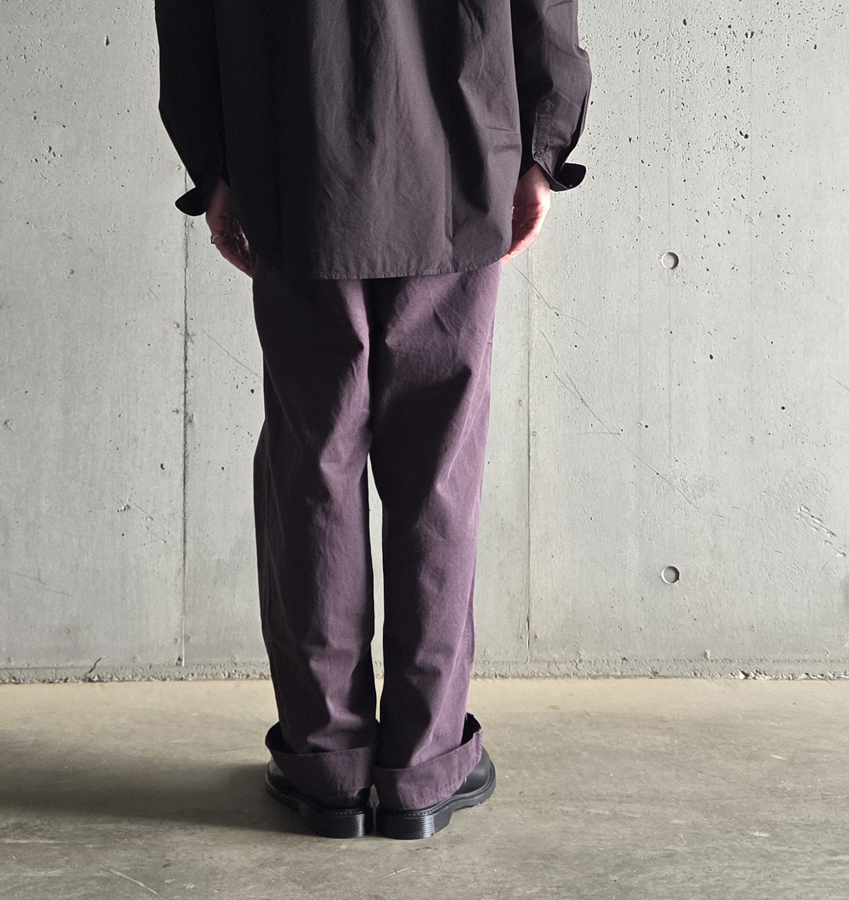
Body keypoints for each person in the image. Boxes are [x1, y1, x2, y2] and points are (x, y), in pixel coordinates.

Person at [154, 0, 591, 840]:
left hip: (294, 155)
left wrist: (214, 164)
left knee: (313, 467)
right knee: (438, 475)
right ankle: (423, 769)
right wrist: (543, 147)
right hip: (460, 156)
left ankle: (326, 766)